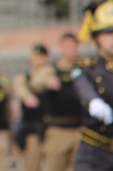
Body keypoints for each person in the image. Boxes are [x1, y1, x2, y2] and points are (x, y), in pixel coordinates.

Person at [72, 0, 113, 170]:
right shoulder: (86, 66)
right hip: (94, 152)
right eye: (108, 33)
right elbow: (83, 87)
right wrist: (94, 101)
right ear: (96, 37)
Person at [31, 33, 83, 171]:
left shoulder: (83, 69)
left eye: (74, 46)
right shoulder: (51, 69)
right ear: (61, 48)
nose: (71, 49)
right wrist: (46, 82)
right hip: (58, 129)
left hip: (80, 128)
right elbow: (36, 82)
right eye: (68, 46)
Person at [13, 44, 50, 171]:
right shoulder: (24, 78)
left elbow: (39, 81)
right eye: (36, 56)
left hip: (50, 128)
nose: (39, 59)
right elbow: (20, 88)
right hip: (33, 129)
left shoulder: (50, 73)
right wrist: (27, 96)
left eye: (42, 56)